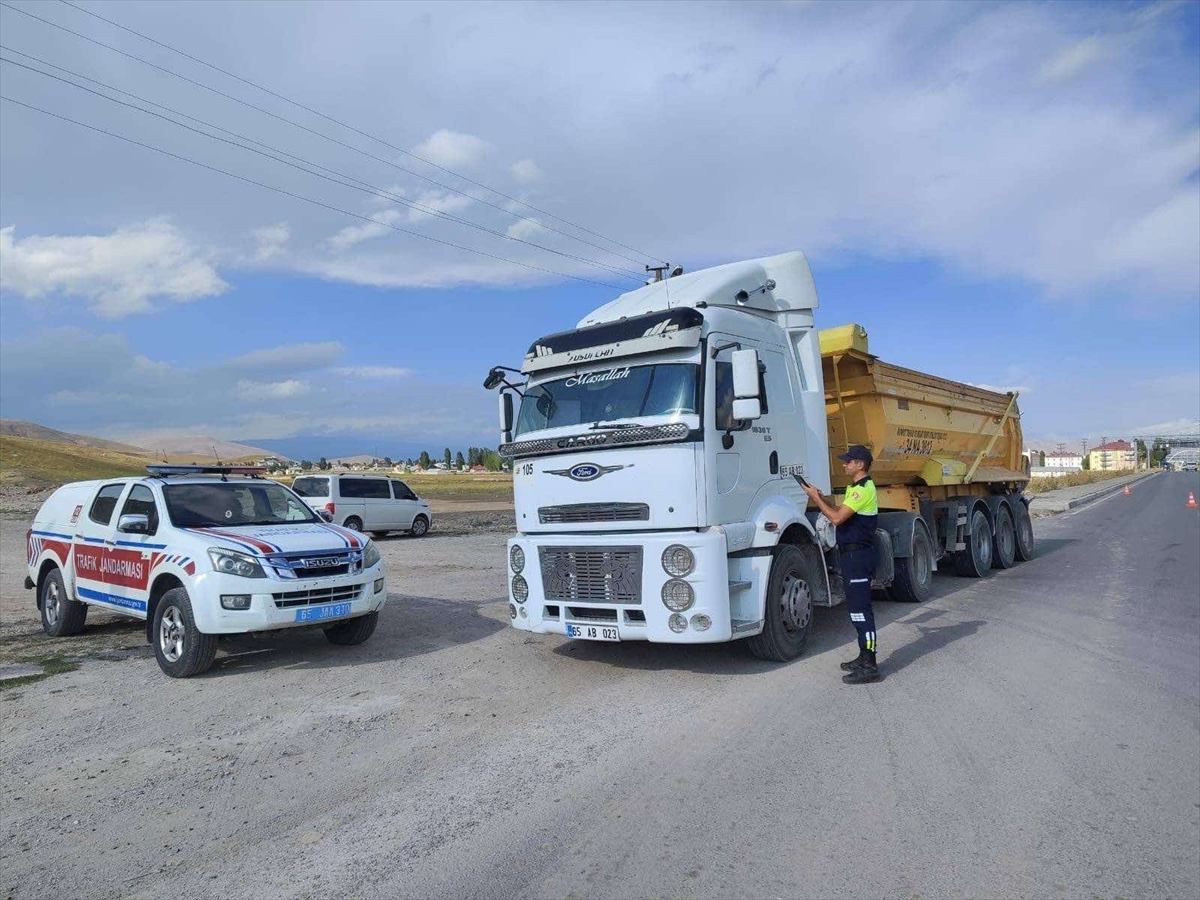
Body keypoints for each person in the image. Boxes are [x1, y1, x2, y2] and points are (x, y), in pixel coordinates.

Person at [801, 445, 881, 684]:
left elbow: (835, 519)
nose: (844, 464)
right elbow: (839, 511)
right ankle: (863, 656)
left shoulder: (863, 490)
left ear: (860, 465)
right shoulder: (855, 488)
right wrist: (821, 497)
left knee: (861, 610)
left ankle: (870, 664)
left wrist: (815, 499)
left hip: (858, 556)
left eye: (849, 461)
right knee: (856, 610)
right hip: (851, 555)